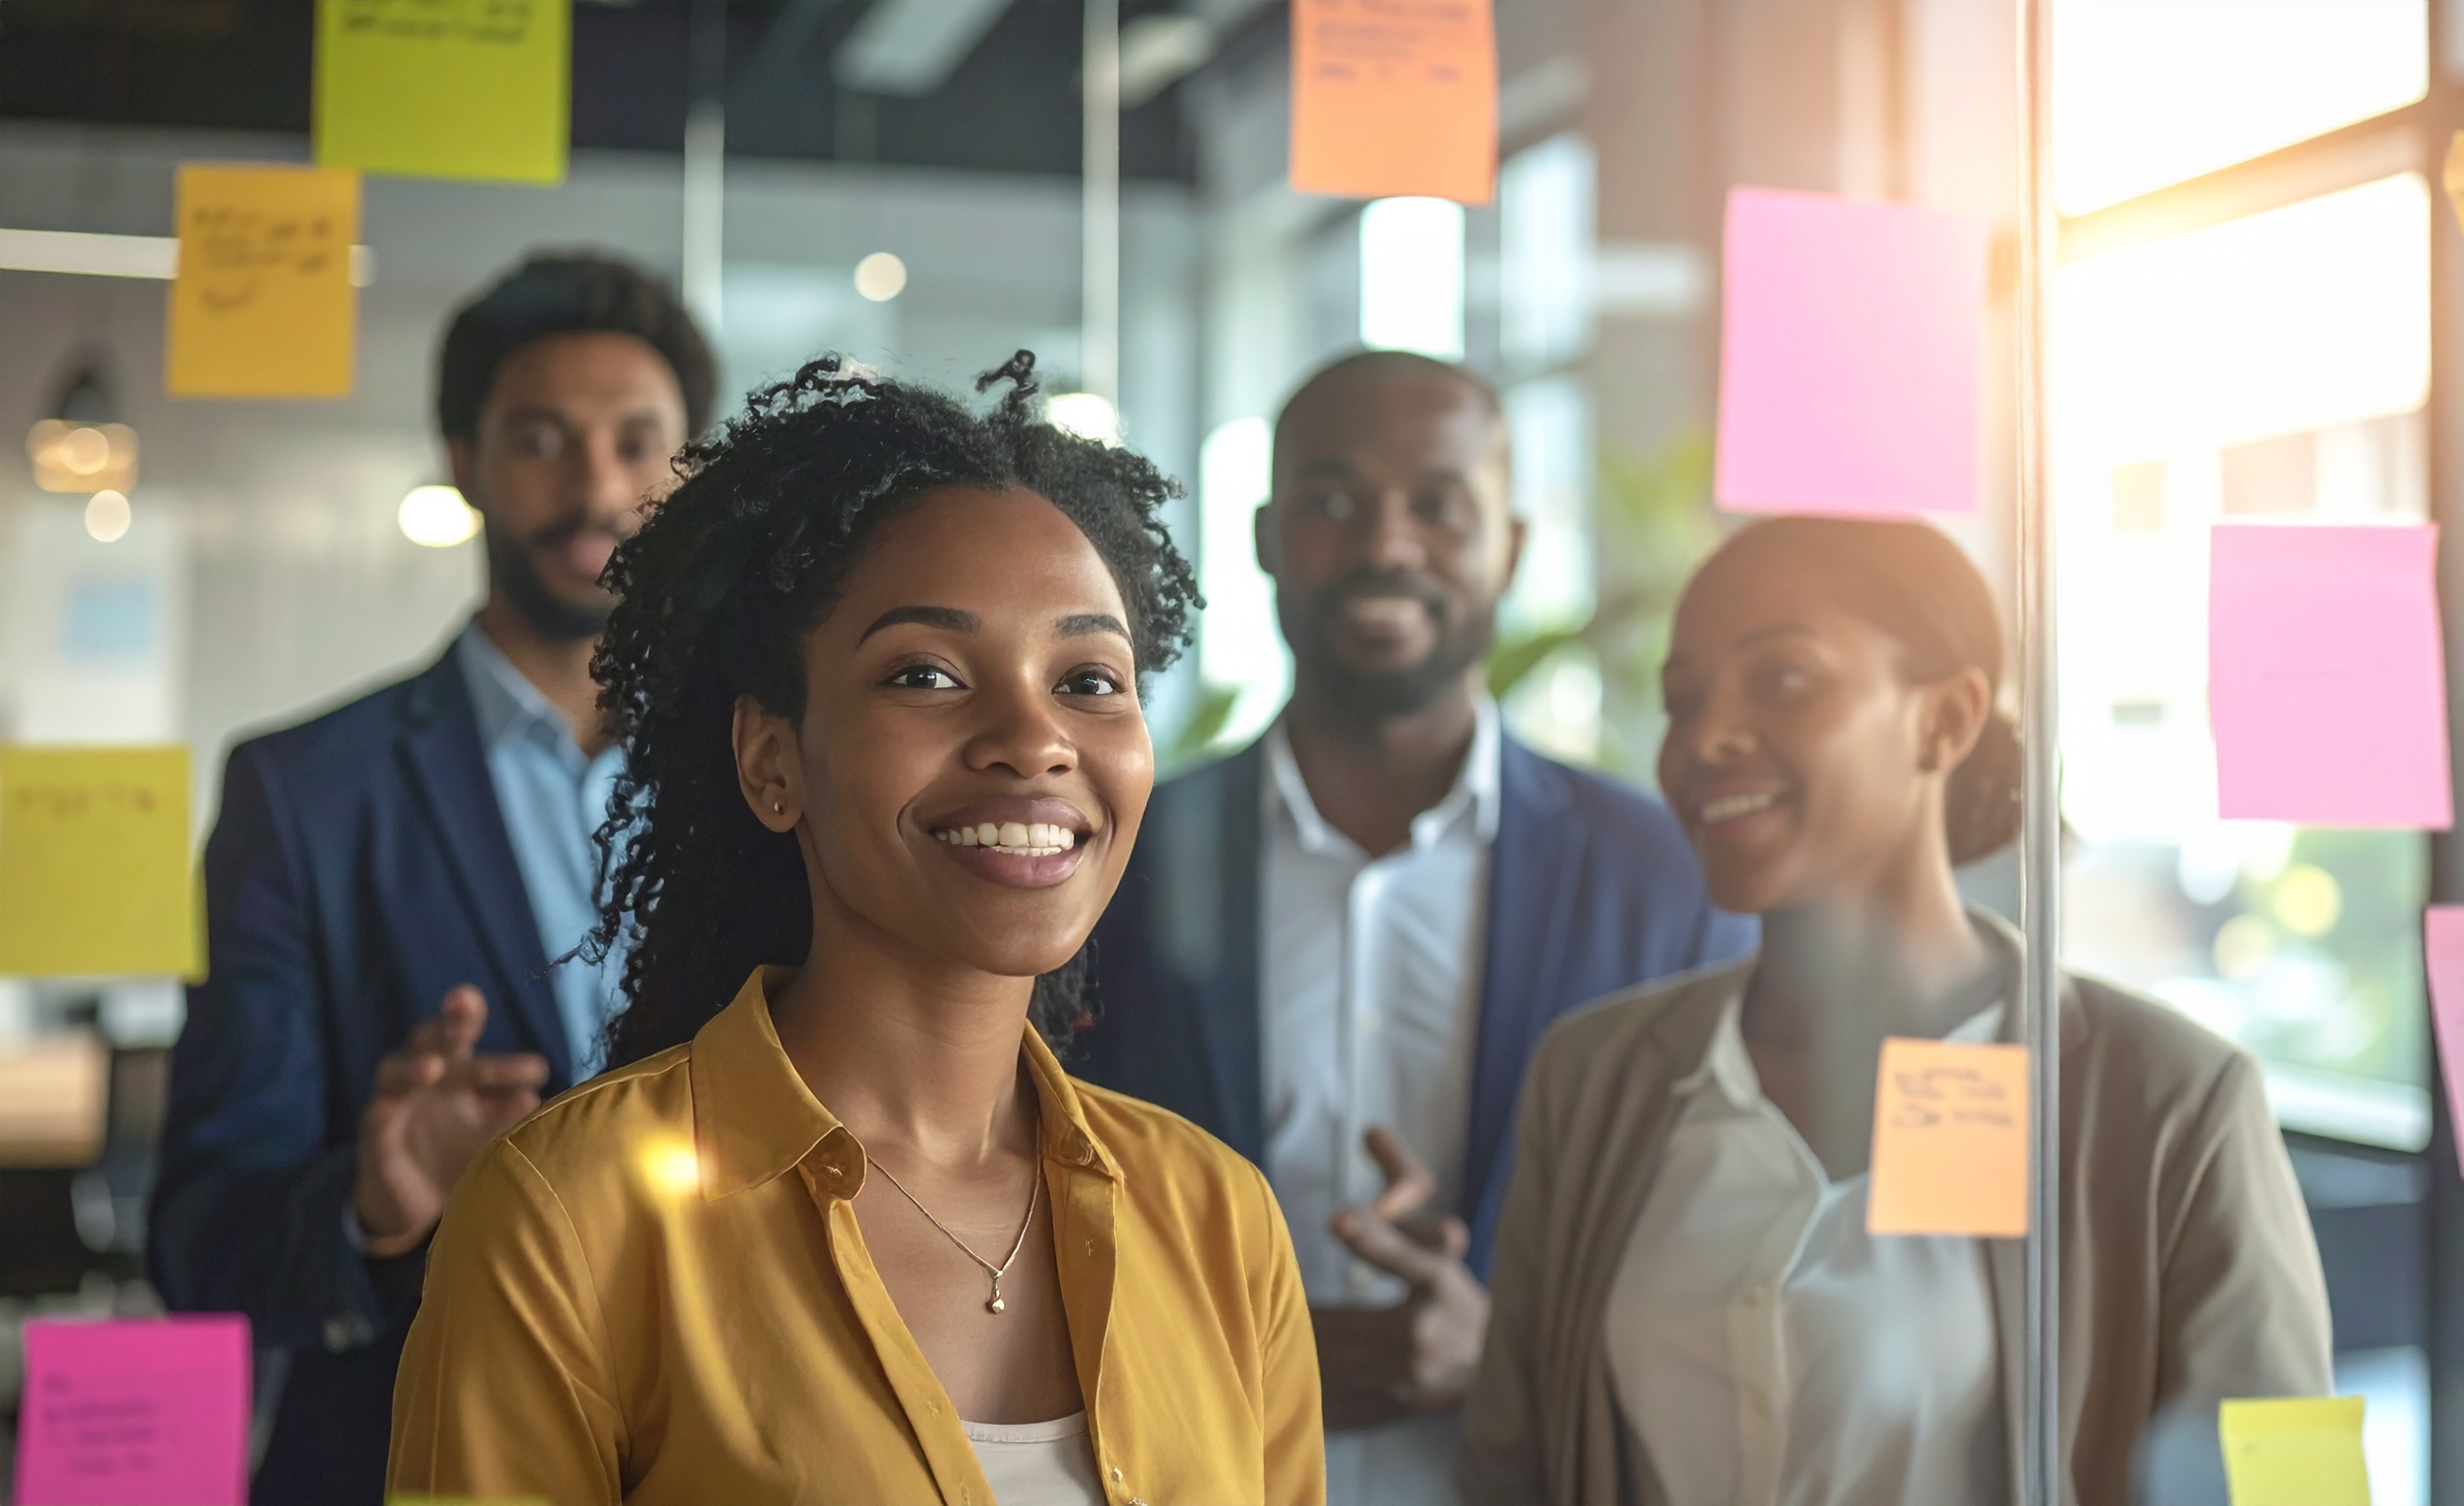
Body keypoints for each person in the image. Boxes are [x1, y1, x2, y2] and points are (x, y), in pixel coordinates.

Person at [385, 354, 1324, 1504]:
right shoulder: (567, 1219)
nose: (1034, 740)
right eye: (926, 674)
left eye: (1088, 679)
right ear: (772, 761)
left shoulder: (1218, 1219)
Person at [1459, 517, 2334, 1505]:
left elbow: (2292, 1486)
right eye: (1683, 698)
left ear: (1946, 720)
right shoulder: (1594, 1078)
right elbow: (1511, 1467)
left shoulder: (2174, 1100)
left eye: (1783, 679)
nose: (1706, 737)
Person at [1076, 350, 1754, 1503]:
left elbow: (1738, 1259)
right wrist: (1236, 1341)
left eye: (1439, 506)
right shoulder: (1123, 856)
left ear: (1514, 547)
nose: (1388, 546)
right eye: (1334, 502)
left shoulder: (1670, 880)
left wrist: (1506, 1348)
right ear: (1266, 536)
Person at [148, 253, 713, 1504]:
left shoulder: (767, 775)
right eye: (541, 440)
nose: (598, 486)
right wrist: (373, 1201)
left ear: (689, 470)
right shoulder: (305, 794)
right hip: (413, 1452)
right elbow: (202, 1238)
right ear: (463, 460)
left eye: (638, 442)